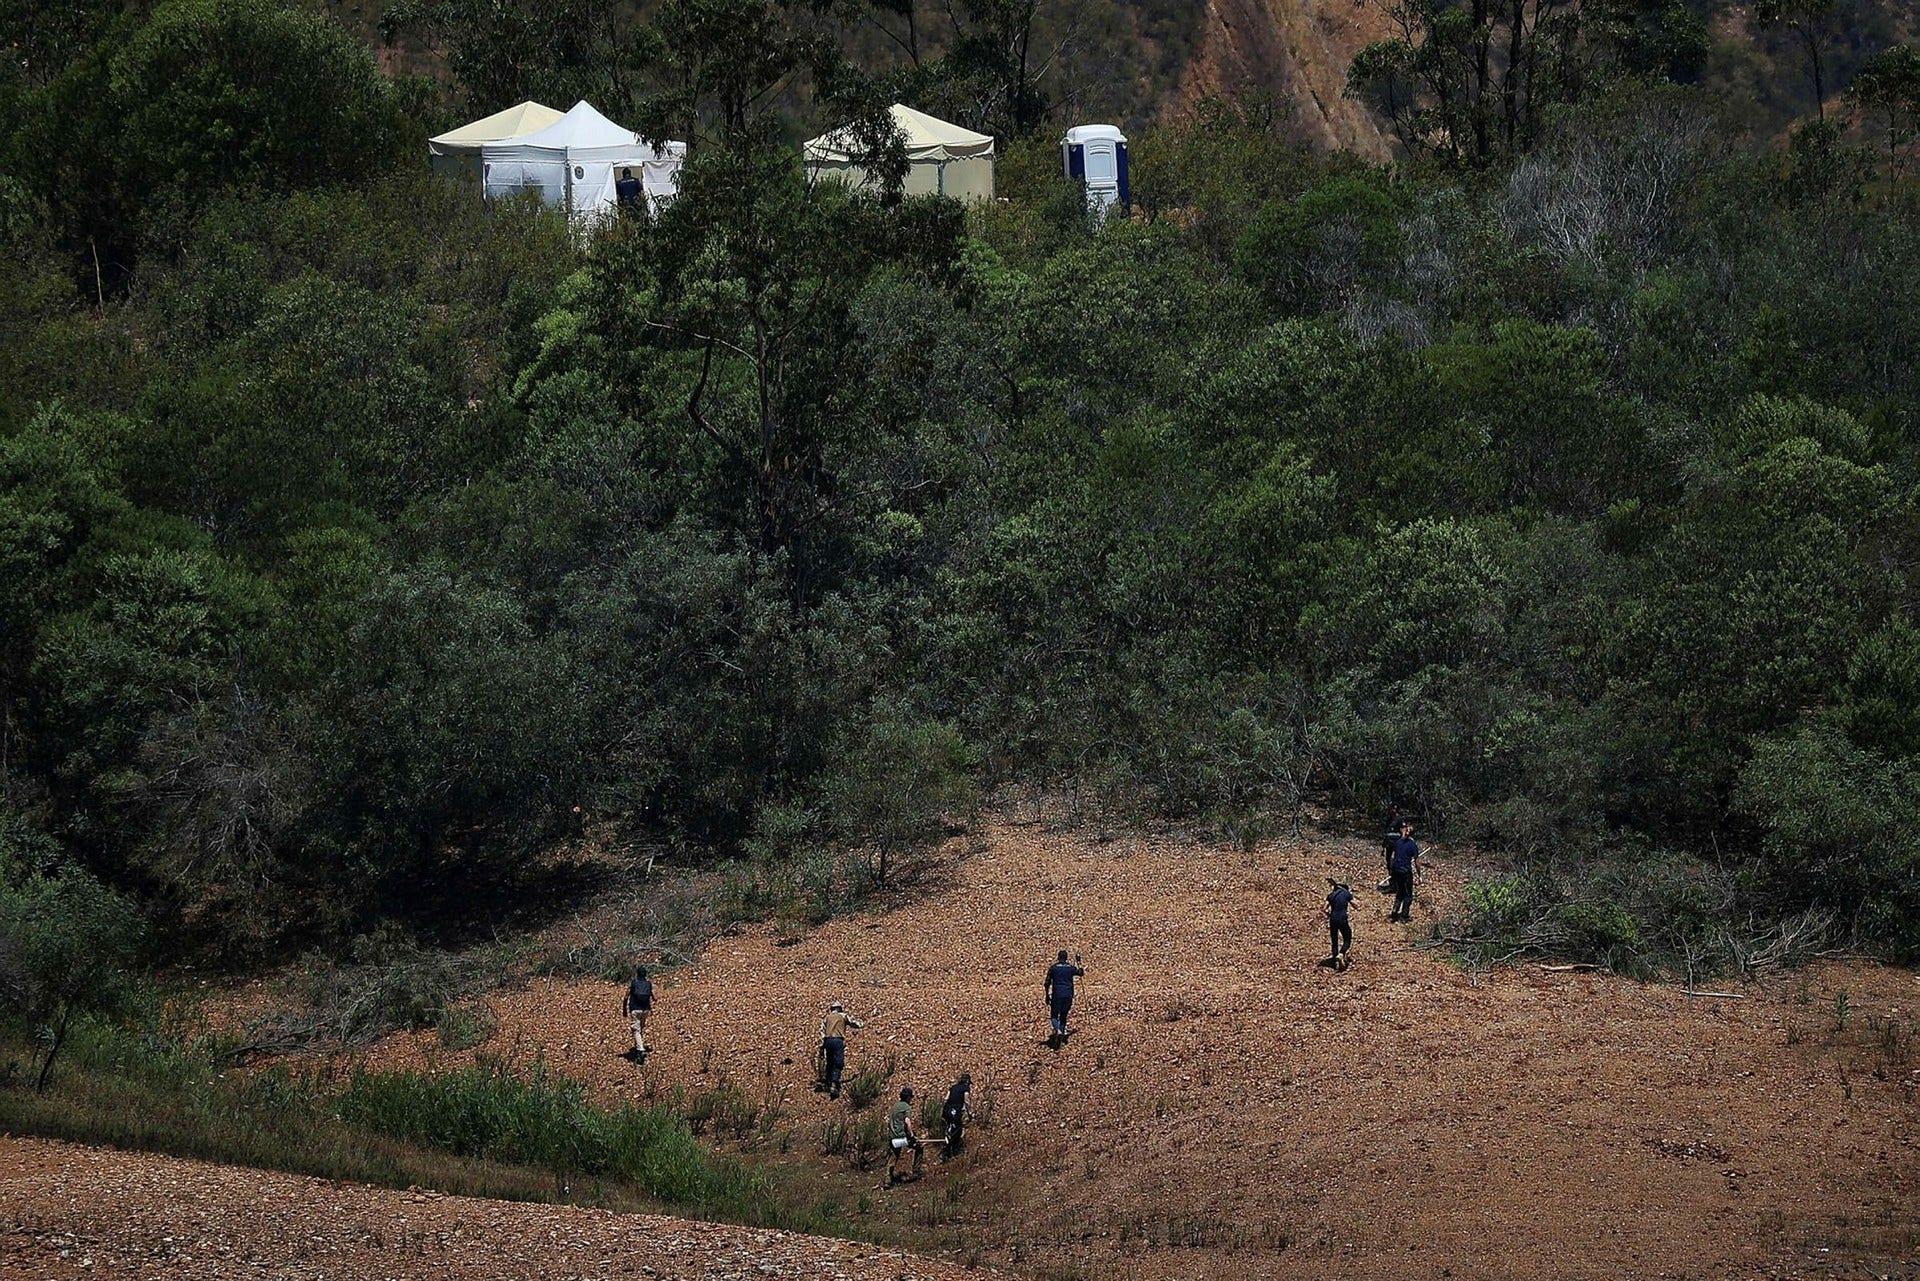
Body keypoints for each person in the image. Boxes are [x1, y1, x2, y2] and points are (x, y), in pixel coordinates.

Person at [818, 1001, 863, 1099]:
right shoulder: (843, 1016)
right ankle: (834, 1084)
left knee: (829, 1062)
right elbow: (853, 1023)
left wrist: (821, 1047)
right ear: (839, 1008)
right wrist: (861, 1023)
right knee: (838, 1063)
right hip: (838, 1041)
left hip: (827, 1041)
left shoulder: (827, 1018)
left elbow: (822, 1032)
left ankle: (828, 1083)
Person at [1044, 950, 1085, 1048]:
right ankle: (1061, 1035)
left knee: (1054, 1015)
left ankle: (1058, 1030)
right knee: (1063, 1016)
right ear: (1066, 958)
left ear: (1058, 957)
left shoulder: (1053, 968)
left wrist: (1046, 994)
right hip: (1068, 994)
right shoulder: (1070, 968)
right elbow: (1081, 973)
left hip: (1057, 994)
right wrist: (1079, 962)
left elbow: (1047, 983)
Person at [887, 1086, 923, 1184]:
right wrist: (911, 1135)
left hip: (892, 1136)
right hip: (902, 1136)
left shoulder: (895, 1106)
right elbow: (907, 1121)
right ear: (908, 1098)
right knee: (919, 1148)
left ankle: (887, 1179)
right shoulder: (906, 1107)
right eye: (911, 1097)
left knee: (893, 1156)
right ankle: (916, 1171)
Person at [1388, 822, 1421, 922]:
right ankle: (1404, 916)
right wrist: (1419, 875)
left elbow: (1392, 857)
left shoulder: (1398, 842)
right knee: (1408, 895)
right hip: (1405, 872)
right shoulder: (1413, 845)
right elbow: (1417, 862)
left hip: (1396, 870)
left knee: (1399, 893)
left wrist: (1391, 870)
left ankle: (1394, 913)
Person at [623, 964, 653, 1061]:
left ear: (637, 974)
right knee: (640, 1029)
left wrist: (624, 1008)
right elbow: (654, 997)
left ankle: (640, 1050)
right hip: (645, 1009)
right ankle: (638, 1047)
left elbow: (626, 997)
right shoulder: (648, 983)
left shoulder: (633, 983)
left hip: (635, 1009)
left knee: (636, 1030)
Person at [940, 1072, 973, 1159]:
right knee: (956, 1131)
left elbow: (946, 1098)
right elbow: (966, 1101)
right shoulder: (966, 1088)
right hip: (955, 1111)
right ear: (967, 1082)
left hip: (947, 1110)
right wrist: (970, 1113)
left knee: (950, 1128)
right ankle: (947, 1152)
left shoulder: (953, 1087)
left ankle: (949, 1150)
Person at [1325, 880, 1355, 968]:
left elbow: (1324, 909)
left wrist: (1329, 915)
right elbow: (1356, 905)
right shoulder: (1346, 894)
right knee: (1347, 938)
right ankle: (1341, 954)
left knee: (1334, 939)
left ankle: (1334, 961)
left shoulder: (1331, 895)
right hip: (1342, 919)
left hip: (1333, 919)